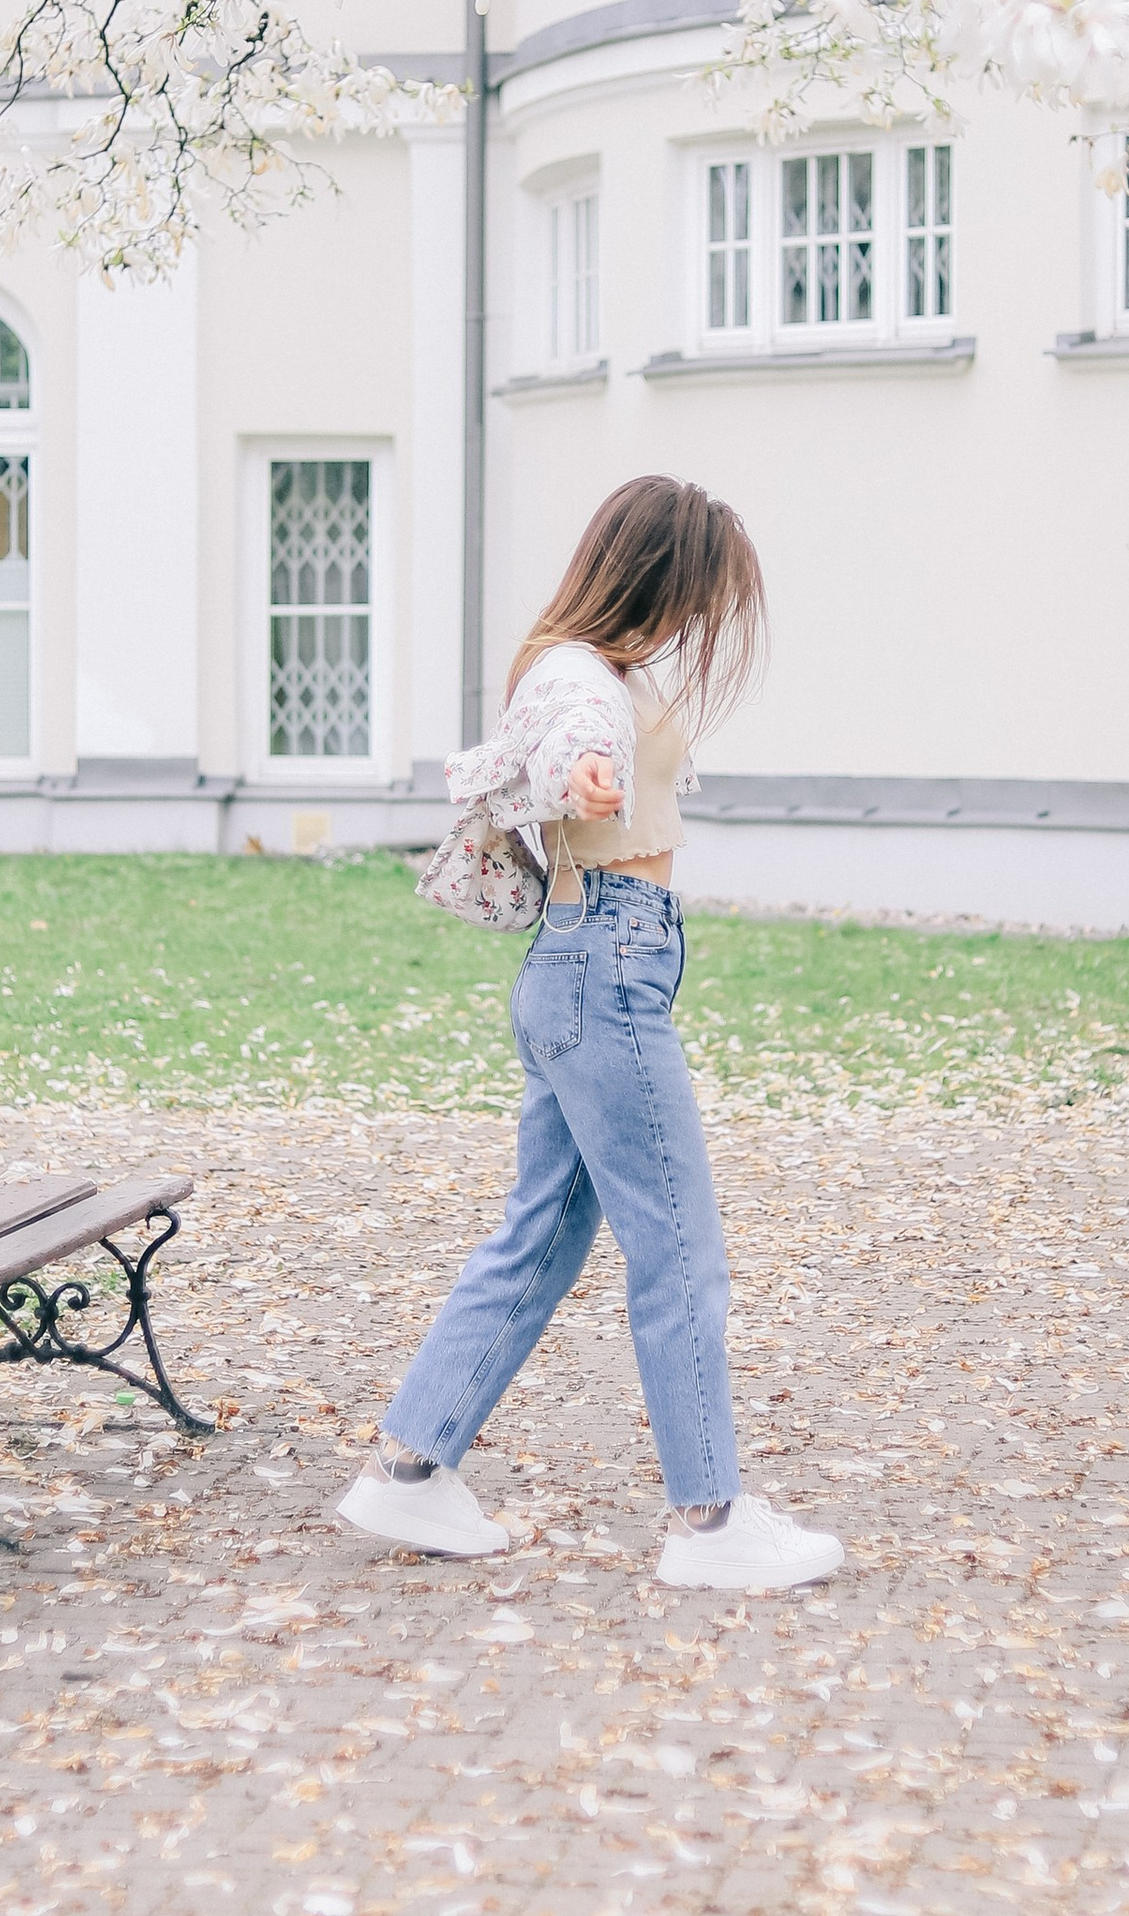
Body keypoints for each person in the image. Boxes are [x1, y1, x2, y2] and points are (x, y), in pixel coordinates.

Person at [339, 475, 843, 1593]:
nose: (699, 621)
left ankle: (408, 1472)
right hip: (606, 966)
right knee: (678, 1250)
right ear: (654, 576)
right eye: (697, 596)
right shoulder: (578, 678)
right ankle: (710, 1523)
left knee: (541, 1239)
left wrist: (589, 768)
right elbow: (570, 741)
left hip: (585, 966)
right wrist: (582, 771)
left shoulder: (592, 664)